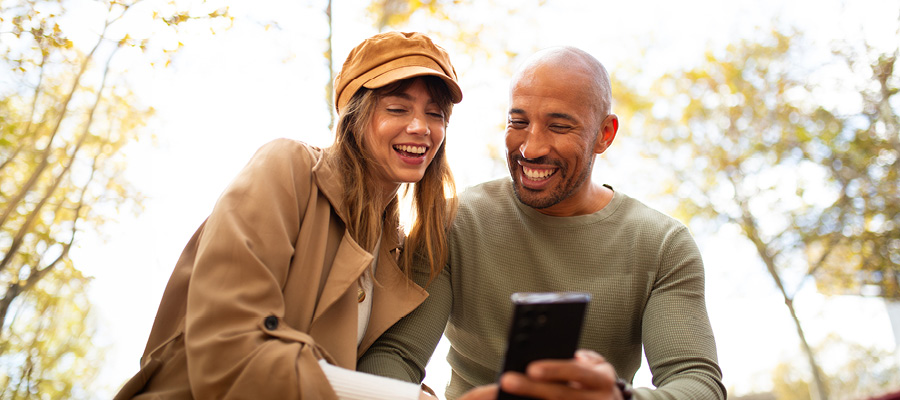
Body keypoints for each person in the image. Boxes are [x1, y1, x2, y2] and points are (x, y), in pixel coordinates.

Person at [358, 46, 727, 400]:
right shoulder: (454, 221)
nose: (531, 148)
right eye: (518, 122)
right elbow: (393, 356)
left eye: (559, 127)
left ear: (605, 134)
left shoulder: (662, 245)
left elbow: (697, 383)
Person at [113, 31, 463, 400]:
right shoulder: (288, 169)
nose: (421, 127)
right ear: (354, 114)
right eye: (397, 108)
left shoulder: (395, 251)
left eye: (435, 115)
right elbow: (228, 345)